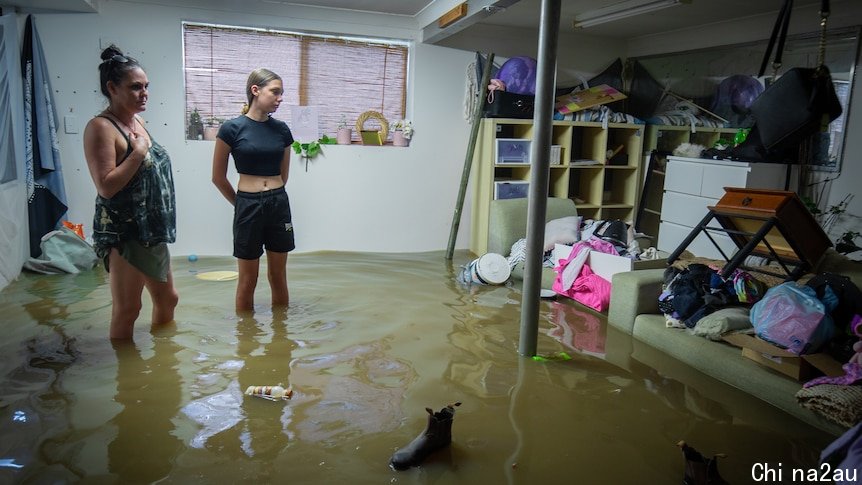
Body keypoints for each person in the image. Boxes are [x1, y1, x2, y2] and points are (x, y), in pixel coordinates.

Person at [83, 45, 178, 339]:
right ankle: (127, 378)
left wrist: (140, 149)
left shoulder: (138, 122)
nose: (144, 93)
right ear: (112, 88)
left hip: (151, 229)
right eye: (135, 87)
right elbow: (106, 186)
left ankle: (165, 360)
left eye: (146, 86)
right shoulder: (101, 127)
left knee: (168, 299)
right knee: (128, 309)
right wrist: (137, 152)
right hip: (125, 231)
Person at [212, 68, 295, 312]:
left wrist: (272, 196)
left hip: (278, 204)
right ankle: (245, 344)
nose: (280, 98)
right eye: (275, 92)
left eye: (282, 93)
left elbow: (284, 174)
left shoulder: (282, 130)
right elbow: (218, 177)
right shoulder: (231, 129)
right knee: (248, 280)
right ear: (255, 91)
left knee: (278, 276)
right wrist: (240, 204)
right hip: (247, 205)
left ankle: (281, 338)